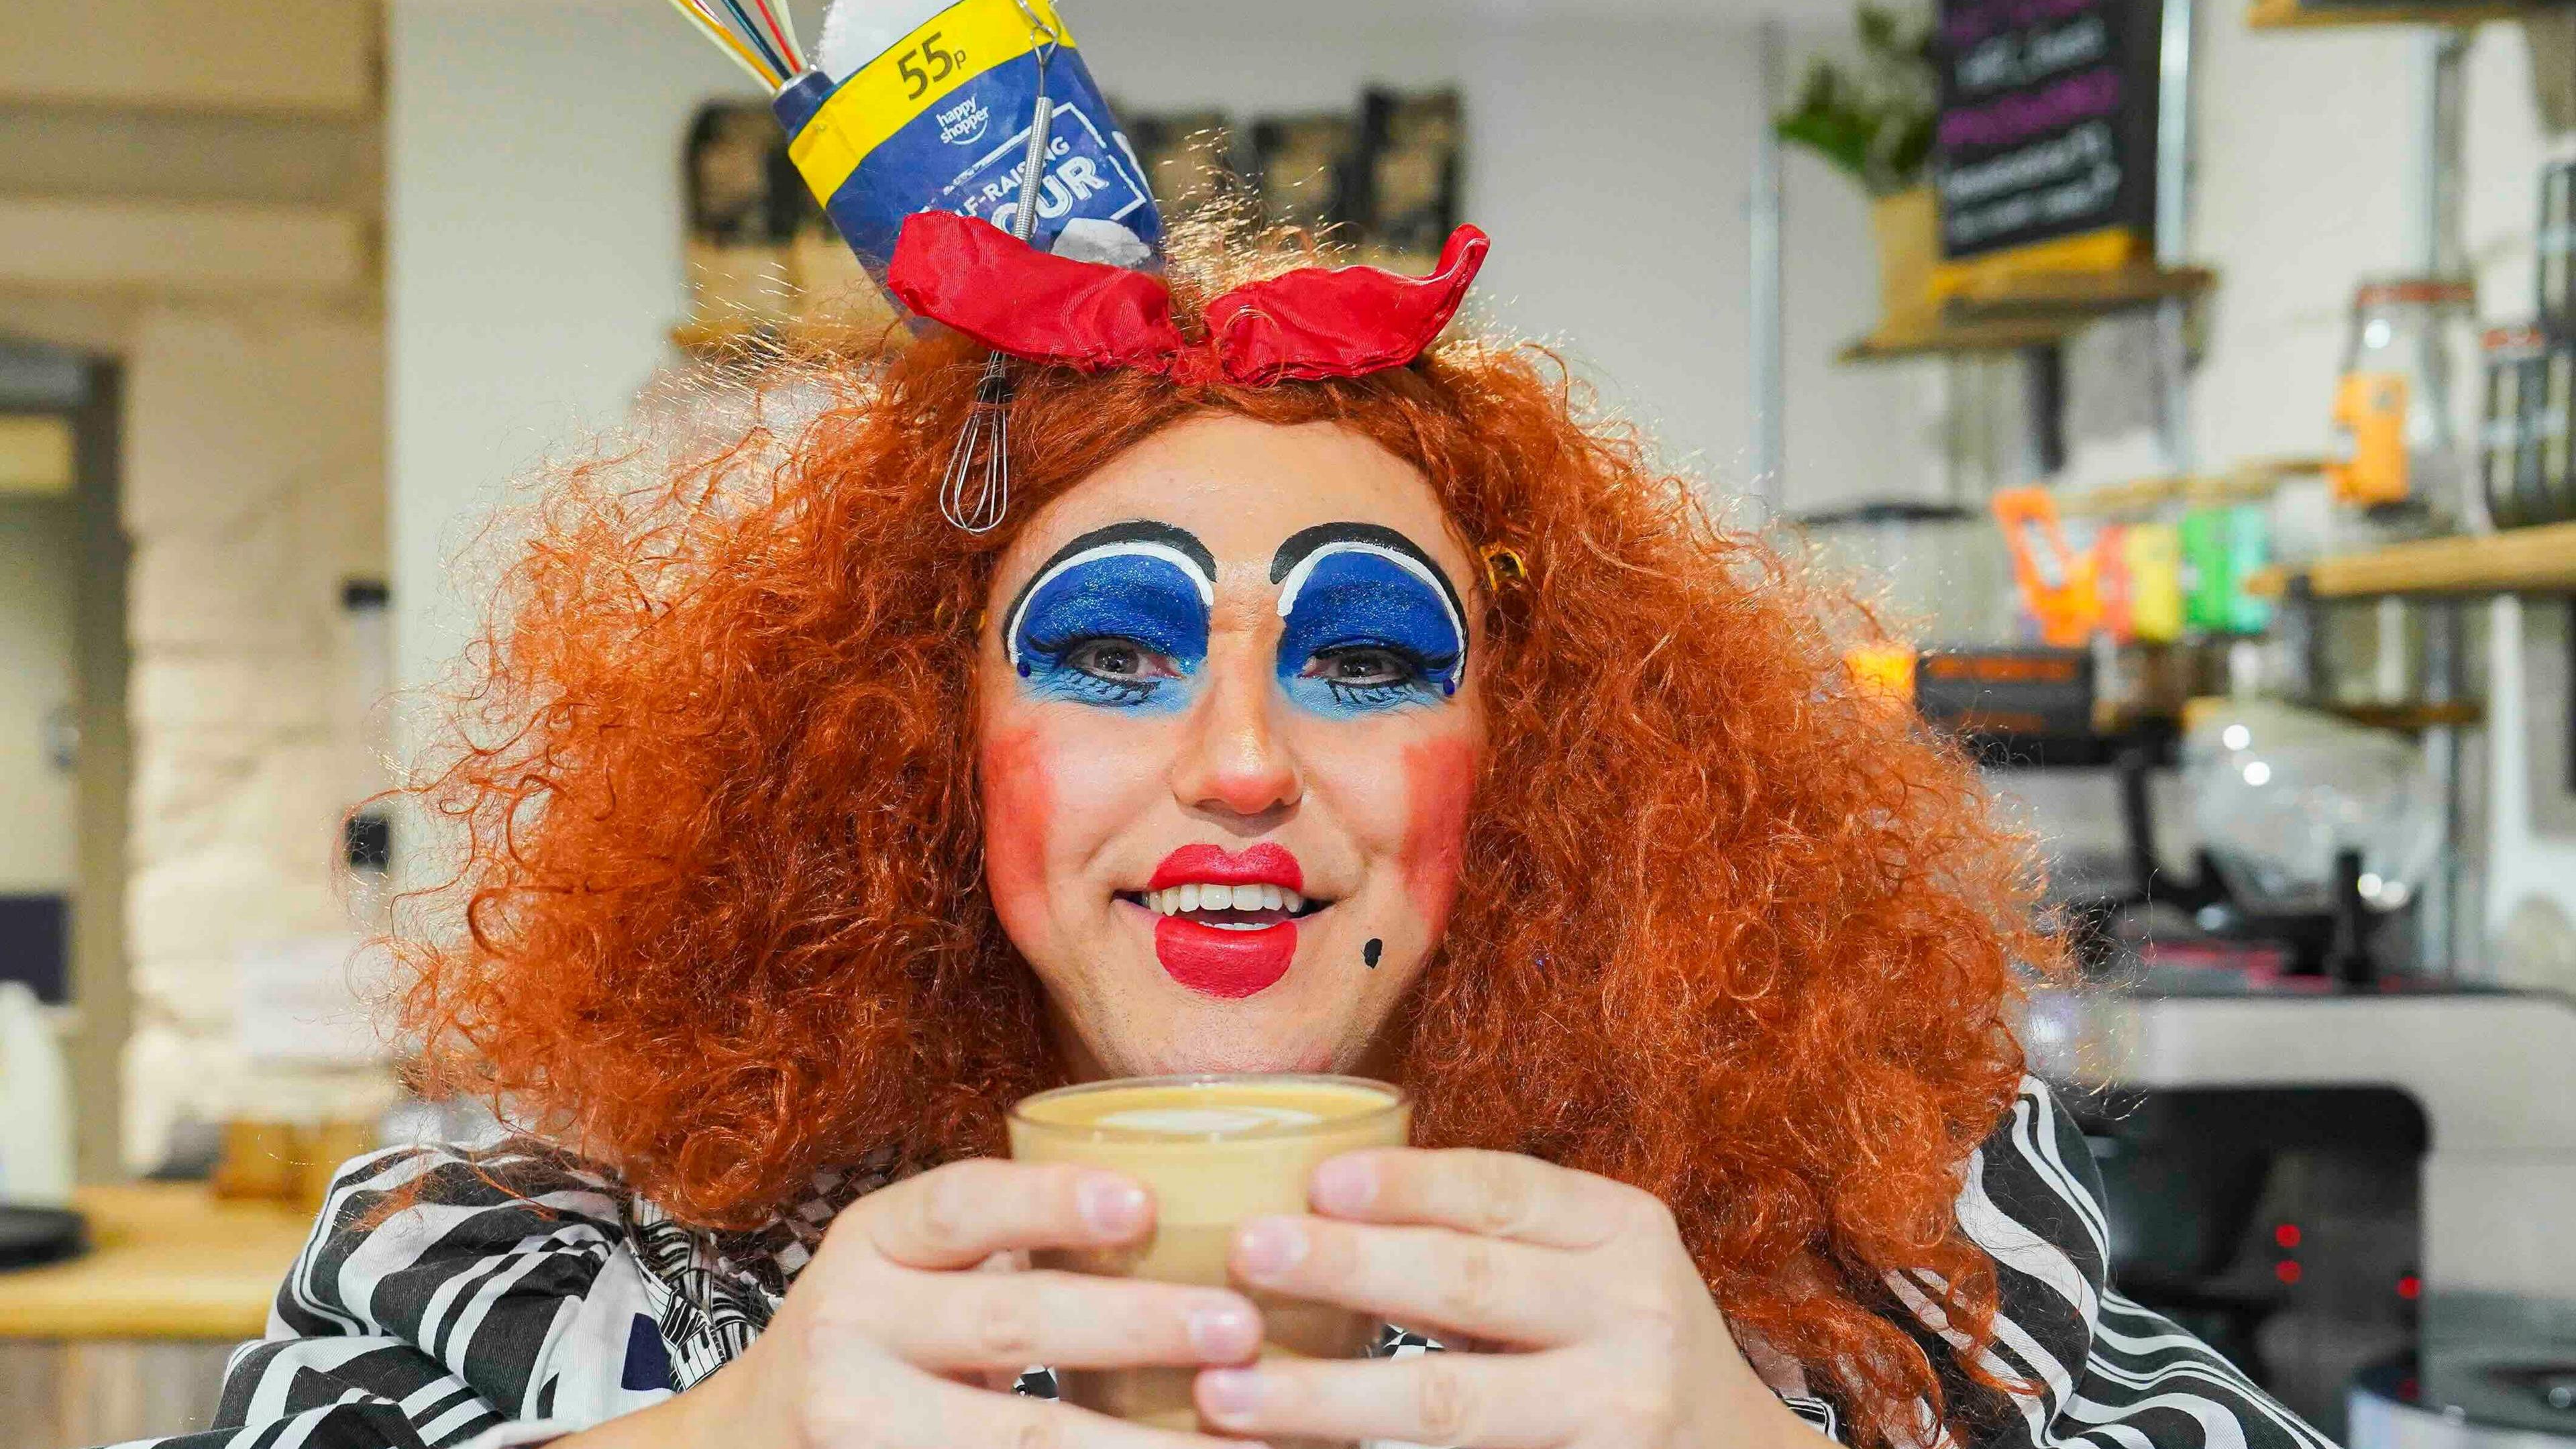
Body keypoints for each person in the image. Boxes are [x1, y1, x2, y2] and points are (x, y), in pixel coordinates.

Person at [111, 206, 2328, 1449]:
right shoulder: (574, 1241)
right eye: (1109, 654)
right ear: (919, 749)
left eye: (1368, 660)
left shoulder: (1862, 1237)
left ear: (1530, 764)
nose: (1246, 761)